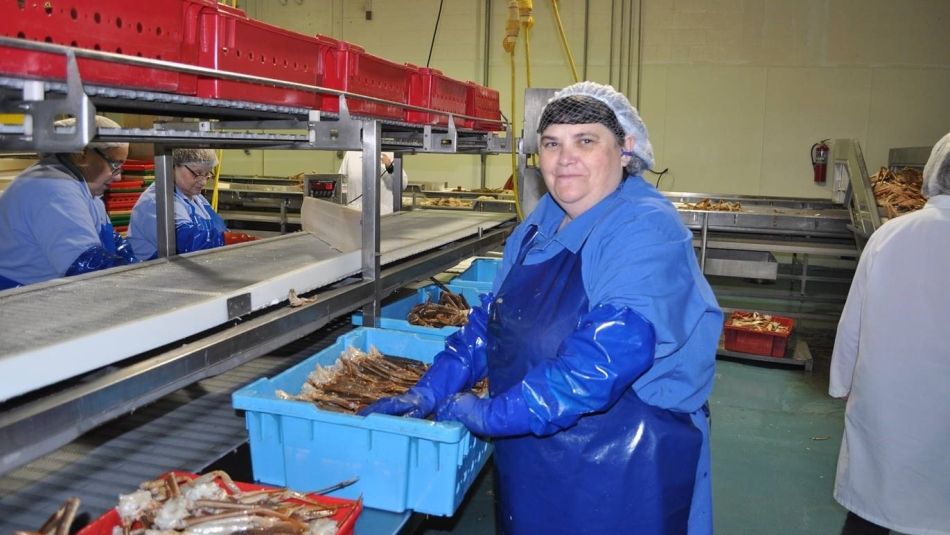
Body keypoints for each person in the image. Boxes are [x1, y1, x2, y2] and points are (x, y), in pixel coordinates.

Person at [361, 81, 722, 534]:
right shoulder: (543, 220)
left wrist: (493, 414)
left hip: (623, 464)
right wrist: (433, 388)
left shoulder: (645, 229)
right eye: (551, 144)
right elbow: (492, 320)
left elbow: (606, 359)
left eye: (585, 141)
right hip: (536, 450)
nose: (564, 158)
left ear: (626, 149)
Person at [829, 132, 950, 535]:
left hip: (887, 405)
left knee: (875, 507)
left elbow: (853, 323)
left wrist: (842, 382)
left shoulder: (891, 236)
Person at [0, 116, 138, 290]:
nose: (118, 176)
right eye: (114, 164)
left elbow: (114, 244)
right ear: (82, 154)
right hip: (15, 301)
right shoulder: (53, 188)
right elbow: (88, 267)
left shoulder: (87, 189)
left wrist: (139, 270)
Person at [127, 148, 228, 260]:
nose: (203, 181)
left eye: (207, 174)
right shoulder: (157, 201)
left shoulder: (197, 198)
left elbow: (220, 230)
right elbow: (188, 243)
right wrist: (228, 240)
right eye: (197, 173)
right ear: (173, 166)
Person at [337, 151, 408, 214]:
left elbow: (403, 185)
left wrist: (390, 167)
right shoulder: (351, 154)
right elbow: (340, 182)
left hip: (383, 216)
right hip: (354, 215)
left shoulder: (390, 154)